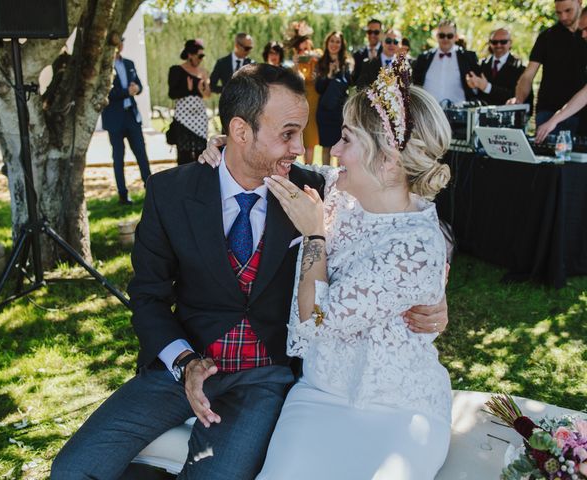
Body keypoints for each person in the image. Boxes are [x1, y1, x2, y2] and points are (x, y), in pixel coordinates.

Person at [51, 64, 449, 480]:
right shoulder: (171, 192)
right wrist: (185, 362)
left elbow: (405, 220)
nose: (301, 147)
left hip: (264, 379)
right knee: (71, 471)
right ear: (241, 132)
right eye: (288, 133)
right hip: (179, 368)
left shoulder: (317, 190)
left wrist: (436, 295)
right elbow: (147, 297)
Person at [257, 58, 452, 480]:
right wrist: (227, 145)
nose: (334, 151)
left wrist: (314, 236)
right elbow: (304, 170)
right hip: (319, 395)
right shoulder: (344, 194)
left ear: (388, 162)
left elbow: (317, 319)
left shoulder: (416, 246)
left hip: (398, 410)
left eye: (347, 140)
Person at [508, 0, 587, 135]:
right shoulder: (547, 37)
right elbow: (527, 76)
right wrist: (519, 99)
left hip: (581, 114)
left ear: (579, 3)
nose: (563, 17)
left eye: (568, 11)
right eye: (558, 12)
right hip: (549, 109)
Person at [101, 34, 151, 205]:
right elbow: (104, 93)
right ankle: (123, 194)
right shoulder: (104, 66)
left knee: (141, 155)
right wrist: (125, 92)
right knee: (118, 157)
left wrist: (137, 88)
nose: (120, 46)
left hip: (131, 116)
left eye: (122, 42)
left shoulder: (129, 63)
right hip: (114, 119)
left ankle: (150, 189)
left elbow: (139, 85)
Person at [412, 19, 480, 105]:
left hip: (458, 112)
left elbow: (477, 87)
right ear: (437, 36)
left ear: (456, 37)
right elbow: (416, 84)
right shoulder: (424, 58)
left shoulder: (468, 57)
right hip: (430, 111)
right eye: (442, 35)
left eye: (449, 36)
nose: (445, 39)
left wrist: (474, 87)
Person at [168, 39, 211, 165]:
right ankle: (184, 180)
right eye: (199, 55)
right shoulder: (176, 70)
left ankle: (200, 179)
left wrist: (203, 84)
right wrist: (188, 89)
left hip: (199, 116)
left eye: (203, 56)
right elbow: (172, 94)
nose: (201, 59)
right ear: (190, 54)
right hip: (183, 117)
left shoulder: (203, 71)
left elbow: (207, 95)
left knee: (201, 150)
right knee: (184, 151)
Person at [465, 28, 532, 107]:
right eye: (494, 42)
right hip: (483, 115)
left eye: (503, 42)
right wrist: (473, 87)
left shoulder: (519, 67)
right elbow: (475, 94)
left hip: (507, 115)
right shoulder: (481, 64)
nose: (498, 45)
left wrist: (487, 87)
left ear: (510, 43)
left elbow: (518, 96)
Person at [315, 31, 352, 166]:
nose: (334, 44)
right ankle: (325, 177)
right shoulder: (321, 62)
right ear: (327, 43)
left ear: (341, 45)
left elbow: (349, 84)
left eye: (337, 42)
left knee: (339, 146)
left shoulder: (346, 63)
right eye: (332, 41)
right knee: (326, 147)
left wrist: (339, 73)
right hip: (324, 111)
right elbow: (318, 88)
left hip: (339, 111)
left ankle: (338, 179)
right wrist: (330, 75)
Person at [287, 20, 321, 165]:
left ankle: (308, 168)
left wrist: (313, 56)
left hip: (314, 102)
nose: (305, 52)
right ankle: (296, 166)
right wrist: (296, 63)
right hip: (299, 102)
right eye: (301, 50)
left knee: (311, 139)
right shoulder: (295, 64)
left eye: (307, 48)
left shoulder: (317, 58)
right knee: (297, 136)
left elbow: (322, 59)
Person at [352, 18, 384, 86]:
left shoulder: (386, 52)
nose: (372, 35)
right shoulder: (358, 54)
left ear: (381, 33)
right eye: (369, 32)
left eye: (376, 32)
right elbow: (355, 79)